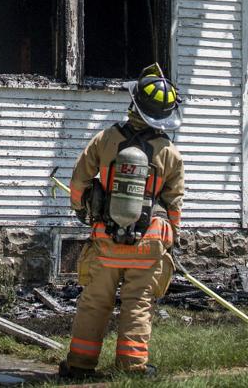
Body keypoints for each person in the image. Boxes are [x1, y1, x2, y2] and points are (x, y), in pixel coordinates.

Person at [60, 63, 185, 379]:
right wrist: (172, 240)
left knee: (94, 303)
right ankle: (132, 369)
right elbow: (174, 205)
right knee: (138, 306)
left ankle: (78, 365)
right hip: (149, 244)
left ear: (134, 103)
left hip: (106, 240)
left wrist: (79, 209)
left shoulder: (105, 139)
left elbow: (79, 181)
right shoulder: (170, 153)